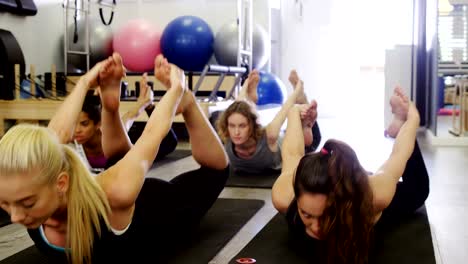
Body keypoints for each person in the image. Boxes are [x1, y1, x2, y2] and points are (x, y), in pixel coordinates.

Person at [0, 53, 229, 263]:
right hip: (121, 188)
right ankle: (110, 106)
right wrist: (83, 84)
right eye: (4, 203)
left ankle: (189, 103)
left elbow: (152, 134)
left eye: (27, 203)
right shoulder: (32, 192)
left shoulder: (115, 193)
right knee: (120, 160)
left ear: (61, 184)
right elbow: (55, 136)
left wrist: (177, 89)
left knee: (216, 171)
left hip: (162, 209)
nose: (16, 216)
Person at [271, 87, 430, 264]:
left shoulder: (373, 197)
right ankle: (306, 127)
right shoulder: (285, 196)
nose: (316, 228)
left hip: (361, 199)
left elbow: (398, 155)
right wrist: (295, 113)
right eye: (306, 214)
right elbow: (292, 153)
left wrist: (411, 121)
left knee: (418, 191)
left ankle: (398, 124)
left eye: (326, 215)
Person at [216, 69, 321, 175]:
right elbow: (236, 106)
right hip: (252, 169)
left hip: (292, 150)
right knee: (237, 112)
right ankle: (251, 100)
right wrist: (245, 86)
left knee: (309, 140)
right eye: (232, 126)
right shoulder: (227, 137)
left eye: (242, 126)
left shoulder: (269, 135)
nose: (236, 132)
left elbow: (285, 110)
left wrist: (297, 90)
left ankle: (302, 99)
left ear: (252, 125)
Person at [73, 73, 178, 173]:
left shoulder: (111, 136)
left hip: (129, 148)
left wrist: (144, 103)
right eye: (74, 124)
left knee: (169, 142)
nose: (77, 130)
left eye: (84, 124)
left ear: (98, 123)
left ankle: (150, 106)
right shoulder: (70, 142)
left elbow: (129, 117)